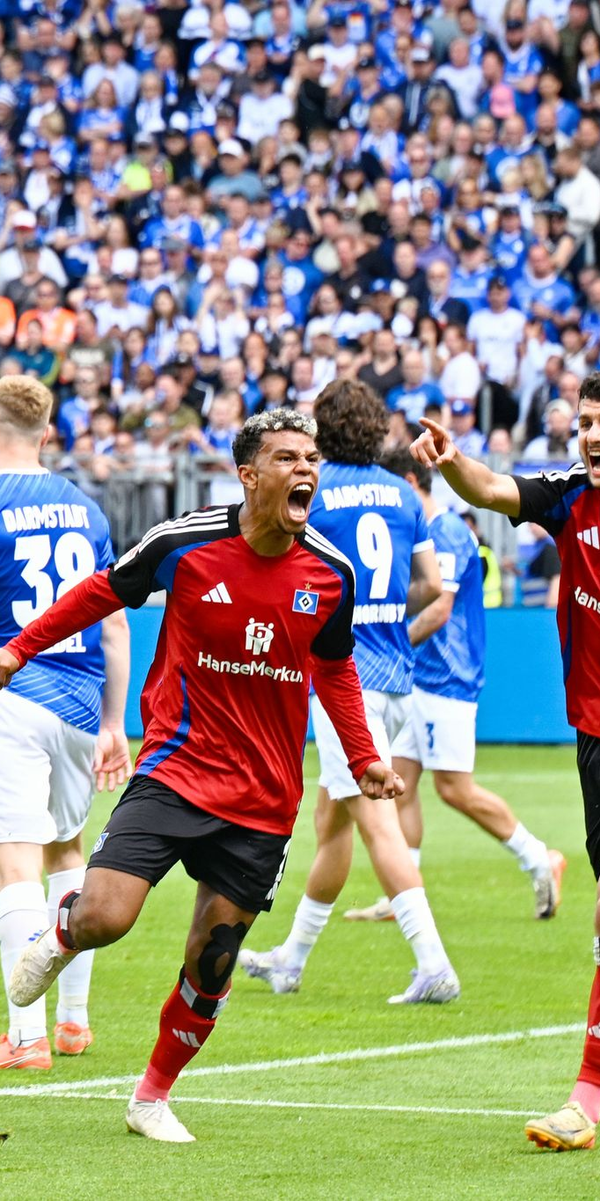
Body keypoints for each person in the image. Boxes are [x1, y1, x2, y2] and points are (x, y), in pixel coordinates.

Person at [0, 409, 401, 1142]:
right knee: (105, 916)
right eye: (287, 458)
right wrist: (20, 649)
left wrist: (364, 757)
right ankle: (61, 932)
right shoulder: (185, 543)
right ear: (249, 475)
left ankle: (151, 1096)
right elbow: (101, 591)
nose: (305, 470)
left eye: (312, 459)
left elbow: (335, 669)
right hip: (176, 769)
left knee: (214, 959)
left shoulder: (332, 573)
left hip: (264, 798)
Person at [412, 373, 600, 1151]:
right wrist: (453, 458)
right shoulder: (569, 495)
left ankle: (588, 1092)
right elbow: (491, 488)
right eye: (586, 422)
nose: (592, 435)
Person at [0, 376, 131, 1070]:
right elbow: (114, 623)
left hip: (14, 693)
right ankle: (73, 1022)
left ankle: (25, 1038)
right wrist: (114, 721)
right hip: (82, 700)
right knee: (68, 853)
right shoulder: (86, 510)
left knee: (15, 862)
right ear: (47, 434)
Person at [239, 380, 459, 1005]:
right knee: (331, 824)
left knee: (376, 826)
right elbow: (430, 584)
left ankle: (434, 963)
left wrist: (342, 614)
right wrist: (384, 612)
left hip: (346, 683)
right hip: (396, 676)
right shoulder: (403, 493)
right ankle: (290, 959)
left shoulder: (312, 488)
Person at [343, 448, 564, 922]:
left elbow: (440, 608)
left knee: (455, 788)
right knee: (401, 784)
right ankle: (404, 892)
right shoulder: (420, 529)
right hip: (417, 677)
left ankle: (540, 857)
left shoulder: (445, 530)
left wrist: (390, 646)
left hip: (448, 677)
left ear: (408, 482)